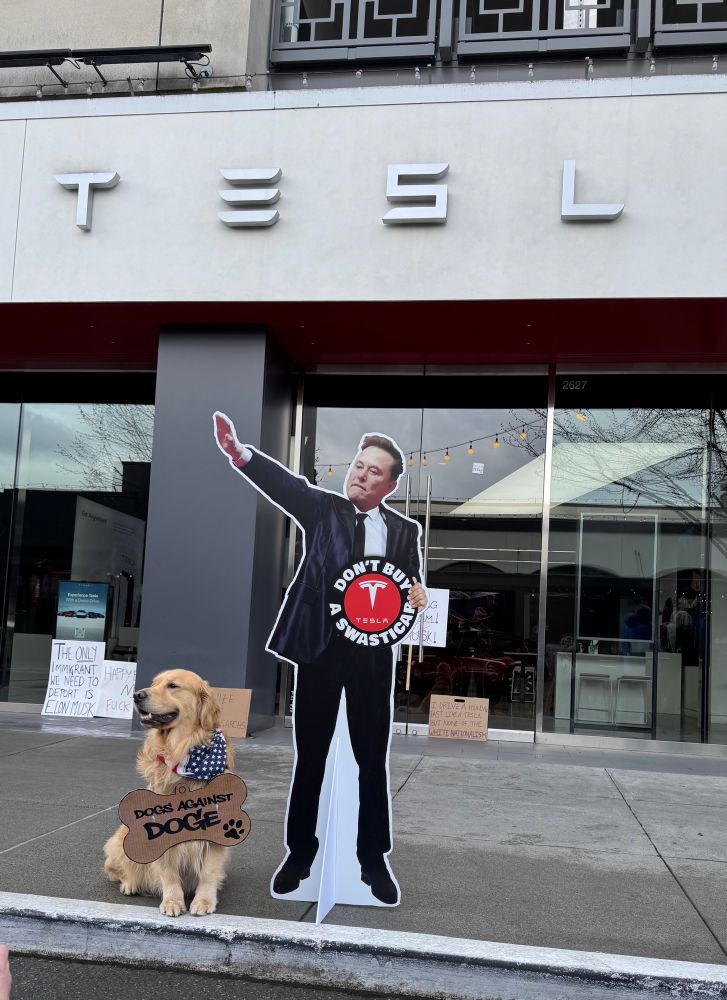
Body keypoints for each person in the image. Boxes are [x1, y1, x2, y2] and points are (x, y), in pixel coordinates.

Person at [214, 413, 427, 905]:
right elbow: (286, 485)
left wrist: (418, 598)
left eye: (375, 471)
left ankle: (373, 859)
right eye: (358, 464)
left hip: (372, 658)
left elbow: (406, 591)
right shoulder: (325, 510)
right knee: (310, 757)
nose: (361, 474)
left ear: (391, 484)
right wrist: (240, 453)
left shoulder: (403, 532)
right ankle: (299, 854)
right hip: (319, 649)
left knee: (371, 760)